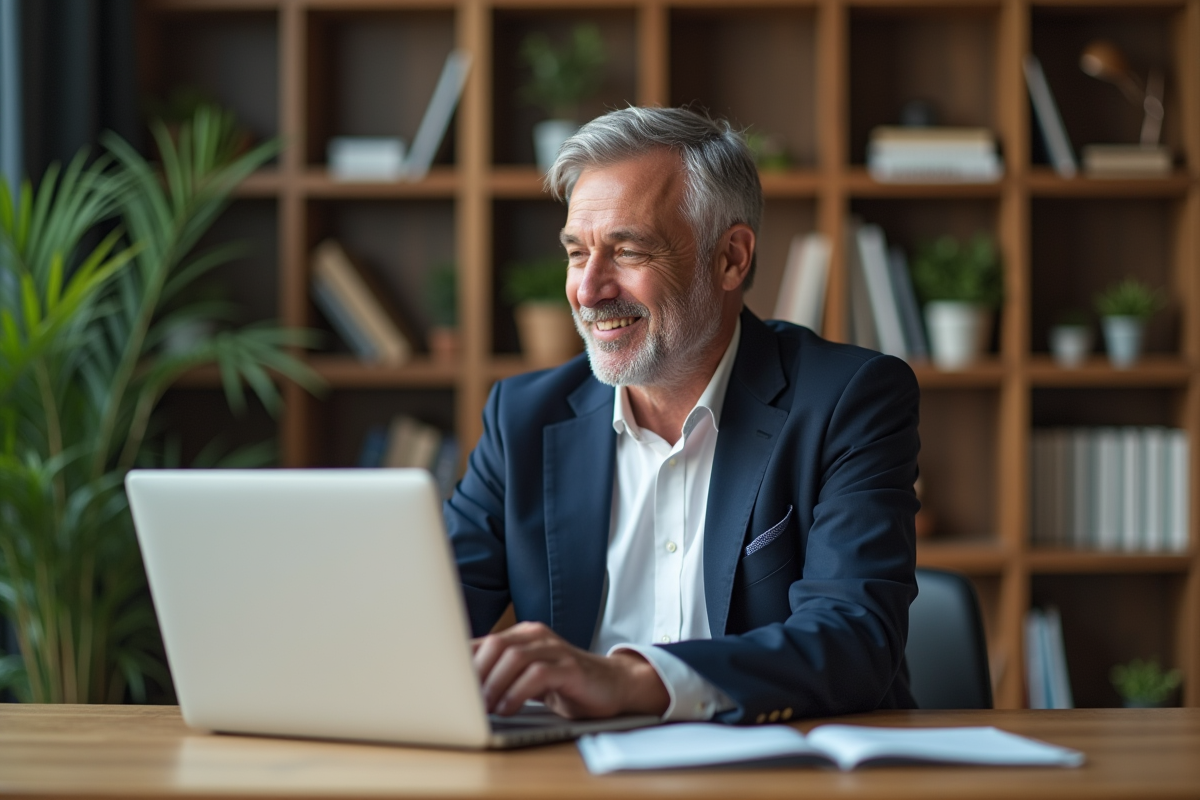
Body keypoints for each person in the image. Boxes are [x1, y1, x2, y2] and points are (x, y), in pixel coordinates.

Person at [445, 106, 920, 726]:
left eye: (628, 250)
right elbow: (425, 621)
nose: (588, 290)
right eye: (576, 253)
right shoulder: (523, 419)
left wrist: (626, 679)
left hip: (784, 771)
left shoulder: (849, 398)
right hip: (572, 774)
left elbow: (853, 638)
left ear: (731, 258)